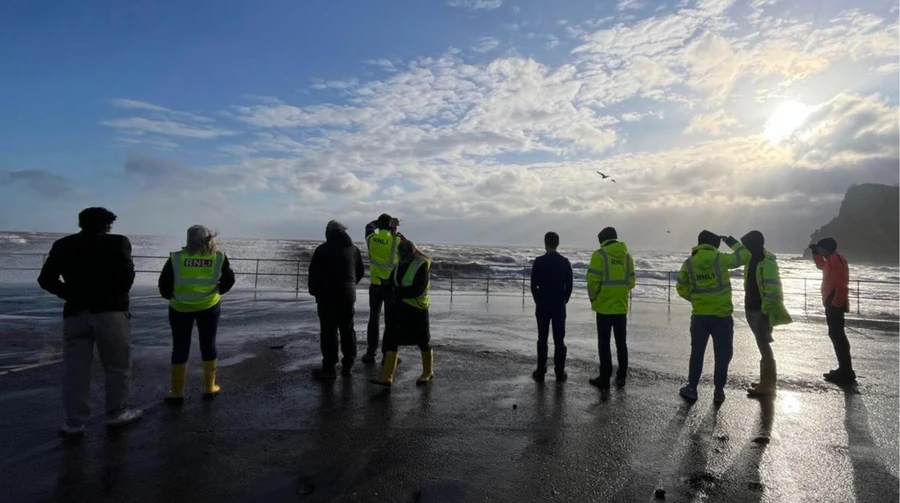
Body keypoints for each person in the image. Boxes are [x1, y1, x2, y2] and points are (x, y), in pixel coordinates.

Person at [38, 207, 143, 436]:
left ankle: (74, 422)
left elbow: (45, 279)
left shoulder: (63, 245)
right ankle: (116, 413)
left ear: (81, 223)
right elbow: (127, 277)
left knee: (75, 369)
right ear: (108, 225)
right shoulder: (118, 243)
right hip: (111, 312)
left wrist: (69, 293)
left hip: (76, 313)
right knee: (117, 366)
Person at [158, 225, 235, 402]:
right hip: (209, 306)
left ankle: (177, 392)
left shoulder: (176, 258)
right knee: (208, 344)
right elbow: (229, 280)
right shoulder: (218, 257)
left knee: (180, 345)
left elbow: (164, 283)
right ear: (209, 238)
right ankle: (209, 388)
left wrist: (172, 296)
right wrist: (217, 291)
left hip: (180, 307)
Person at [676, 230, 751, 404]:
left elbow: (681, 288)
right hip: (722, 316)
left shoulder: (689, 263)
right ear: (715, 245)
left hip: (700, 316)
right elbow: (745, 255)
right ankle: (718, 391)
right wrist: (731, 241)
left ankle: (692, 388)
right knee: (722, 355)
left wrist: (696, 299)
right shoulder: (720, 259)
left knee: (697, 353)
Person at [371, 240, 433, 387]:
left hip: (417, 309)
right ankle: (387, 377)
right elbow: (393, 281)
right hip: (399, 308)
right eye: (400, 253)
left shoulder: (421, 265)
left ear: (412, 253)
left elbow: (417, 289)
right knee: (392, 337)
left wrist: (395, 292)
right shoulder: (399, 265)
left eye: (404, 253)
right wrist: (386, 285)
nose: (401, 256)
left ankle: (428, 372)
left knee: (423, 341)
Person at [307, 220, 365, 379]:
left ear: (329, 232)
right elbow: (359, 272)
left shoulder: (322, 250)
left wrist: (314, 291)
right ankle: (348, 365)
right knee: (347, 329)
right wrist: (350, 286)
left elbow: (314, 274)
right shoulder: (354, 250)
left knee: (328, 330)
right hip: (348, 296)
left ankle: (329, 367)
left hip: (327, 296)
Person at [741, 231, 792, 397]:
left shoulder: (766, 262)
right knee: (761, 342)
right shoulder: (752, 258)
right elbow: (738, 249)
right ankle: (766, 380)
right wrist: (728, 240)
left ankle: (768, 384)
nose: (744, 247)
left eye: (747, 244)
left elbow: (774, 290)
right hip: (752, 307)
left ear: (754, 244)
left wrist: (765, 311)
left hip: (760, 310)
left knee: (764, 344)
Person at [586, 227, 636, 392]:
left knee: (604, 344)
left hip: (604, 307)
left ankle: (605, 378)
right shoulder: (627, 256)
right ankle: (621, 377)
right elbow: (631, 282)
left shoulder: (599, 255)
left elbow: (593, 281)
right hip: (621, 306)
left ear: (602, 240)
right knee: (621, 343)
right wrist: (620, 292)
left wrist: (594, 298)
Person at [529, 232, 574, 383]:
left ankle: (541, 370)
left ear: (545, 243)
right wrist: (564, 300)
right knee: (559, 339)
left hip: (542, 304)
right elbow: (569, 285)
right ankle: (559, 373)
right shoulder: (564, 262)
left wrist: (538, 300)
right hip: (558, 305)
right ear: (558, 243)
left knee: (542, 338)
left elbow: (533, 285)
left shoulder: (539, 261)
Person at [810, 237, 855, 383]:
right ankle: (844, 369)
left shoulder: (837, 260)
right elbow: (821, 266)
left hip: (835, 301)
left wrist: (836, 303)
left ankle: (846, 370)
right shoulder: (830, 259)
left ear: (827, 248)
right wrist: (815, 254)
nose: (820, 250)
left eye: (820, 248)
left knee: (837, 335)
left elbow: (842, 283)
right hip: (831, 300)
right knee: (835, 334)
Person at [363, 214, 405, 364]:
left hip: (375, 284)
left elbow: (369, 226)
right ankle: (388, 354)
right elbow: (409, 249)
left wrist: (384, 224)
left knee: (373, 318)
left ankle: (370, 352)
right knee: (390, 321)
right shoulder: (396, 240)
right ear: (390, 226)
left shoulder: (371, 239)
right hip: (391, 286)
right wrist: (394, 227)